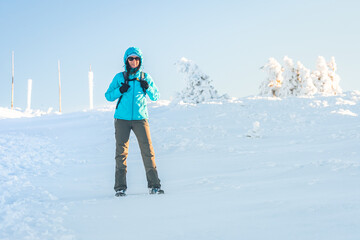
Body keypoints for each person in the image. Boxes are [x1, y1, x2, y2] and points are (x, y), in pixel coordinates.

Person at [105, 47, 164, 197]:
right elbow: (108, 96)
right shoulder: (120, 77)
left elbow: (155, 96)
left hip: (140, 119)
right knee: (121, 153)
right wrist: (120, 90)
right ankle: (120, 187)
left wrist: (148, 87)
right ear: (126, 60)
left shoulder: (145, 77)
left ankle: (154, 185)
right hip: (122, 120)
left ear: (140, 60)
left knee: (148, 151)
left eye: (136, 58)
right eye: (131, 58)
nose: (134, 61)